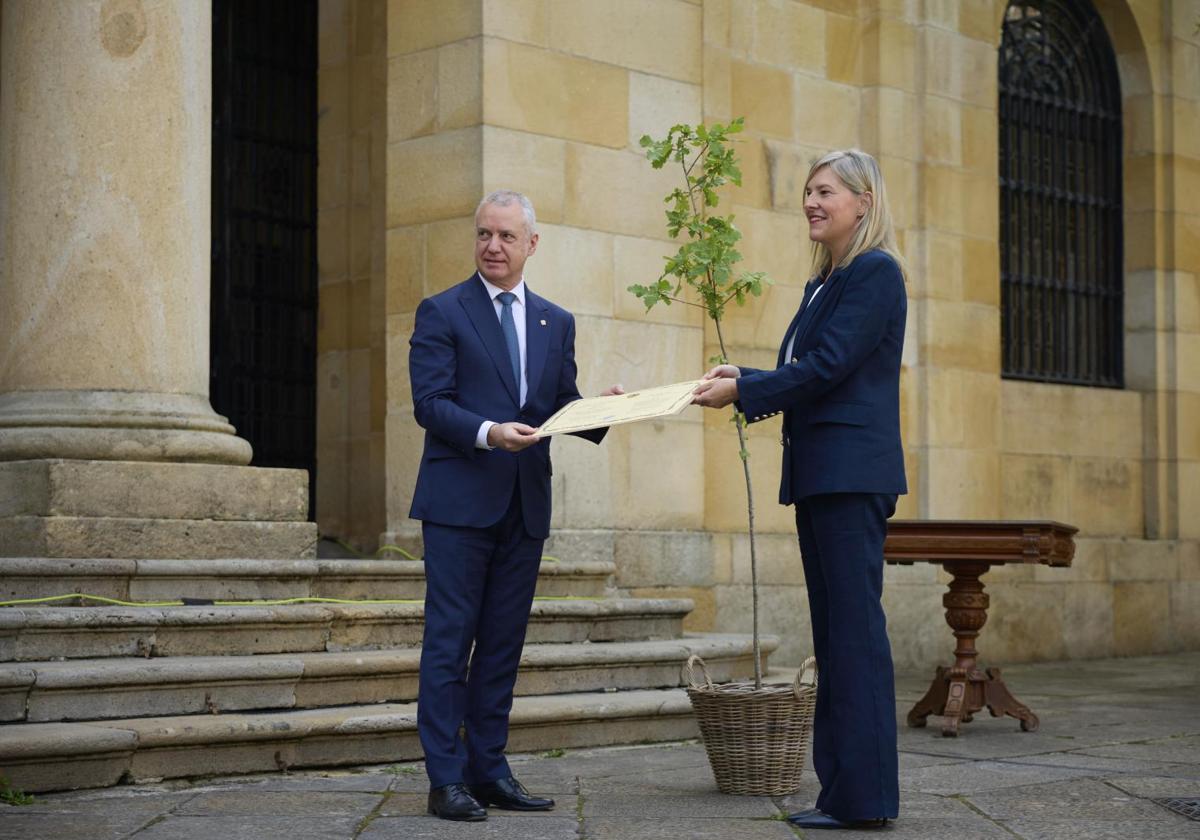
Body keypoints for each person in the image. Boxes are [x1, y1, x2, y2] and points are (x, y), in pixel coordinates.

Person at [692, 149, 906, 830]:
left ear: (863, 201)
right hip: (823, 475)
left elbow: (829, 366)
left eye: (825, 192)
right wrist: (746, 371)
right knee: (839, 640)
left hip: (848, 476)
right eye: (807, 193)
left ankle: (863, 801)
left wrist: (745, 391)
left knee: (853, 642)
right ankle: (844, 795)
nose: (811, 203)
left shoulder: (875, 272)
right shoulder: (830, 279)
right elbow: (813, 366)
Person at [408, 190, 622, 822]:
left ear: (532, 244)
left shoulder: (556, 321)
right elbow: (431, 402)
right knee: (450, 643)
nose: (492, 247)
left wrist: (604, 409)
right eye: (483, 235)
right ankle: (445, 778)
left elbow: (558, 406)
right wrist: (488, 432)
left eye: (505, 236)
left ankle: (490, 769)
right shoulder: (442, 311)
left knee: (502, 644)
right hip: (458, 504)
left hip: (524, 506)